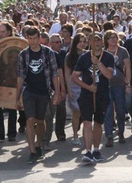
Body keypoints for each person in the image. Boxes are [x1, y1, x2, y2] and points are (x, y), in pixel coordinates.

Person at [17, 26, 60, 164]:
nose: (33, 41)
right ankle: (32, 151)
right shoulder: (23, 55)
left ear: (39, 38)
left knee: (40, 121)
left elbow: (55, 74)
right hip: (28, 90)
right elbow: (20, 76)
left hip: (44, 91)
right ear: (27, 38)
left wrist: (57, 93)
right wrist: (18, 96)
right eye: (30, 38)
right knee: (30, 119)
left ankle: (39, 143)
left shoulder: (48, 53)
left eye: (35, 38)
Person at [72, 32, 114, 164]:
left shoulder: (108, 57)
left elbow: (109, 75)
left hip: (102, 94)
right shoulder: (84, 57)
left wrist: (98, 63)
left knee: (97, 123)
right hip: (87, 95)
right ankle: (88, 151)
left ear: (103, 42)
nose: (96, 43)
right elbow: (74, 76)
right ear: (89, 43)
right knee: (87, 122)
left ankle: (96, 149)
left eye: (99, 40)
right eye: (93, 41)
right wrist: (87, 87)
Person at [103, 30, 130, 147]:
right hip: (107, 85)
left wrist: (128, 84)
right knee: (108, 111)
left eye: (114, 37)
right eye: (110, 38)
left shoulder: (123, 51)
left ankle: (121, 132)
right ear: (106, 40)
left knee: (120, 110)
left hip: (119, 84)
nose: (113, 40)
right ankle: (109, 135)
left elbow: (128, 68)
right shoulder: (103, 52)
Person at [64, 33, 88, 146]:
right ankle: (75, 135)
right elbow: (67, 73)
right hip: (74, 86)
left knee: (86, 113)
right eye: (80, 41)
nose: (82, 44)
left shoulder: (88, 54)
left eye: (84, 41)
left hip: (86, 86)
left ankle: (86, 135)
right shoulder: (69, 56)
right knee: (76, 113)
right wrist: (68, 89)